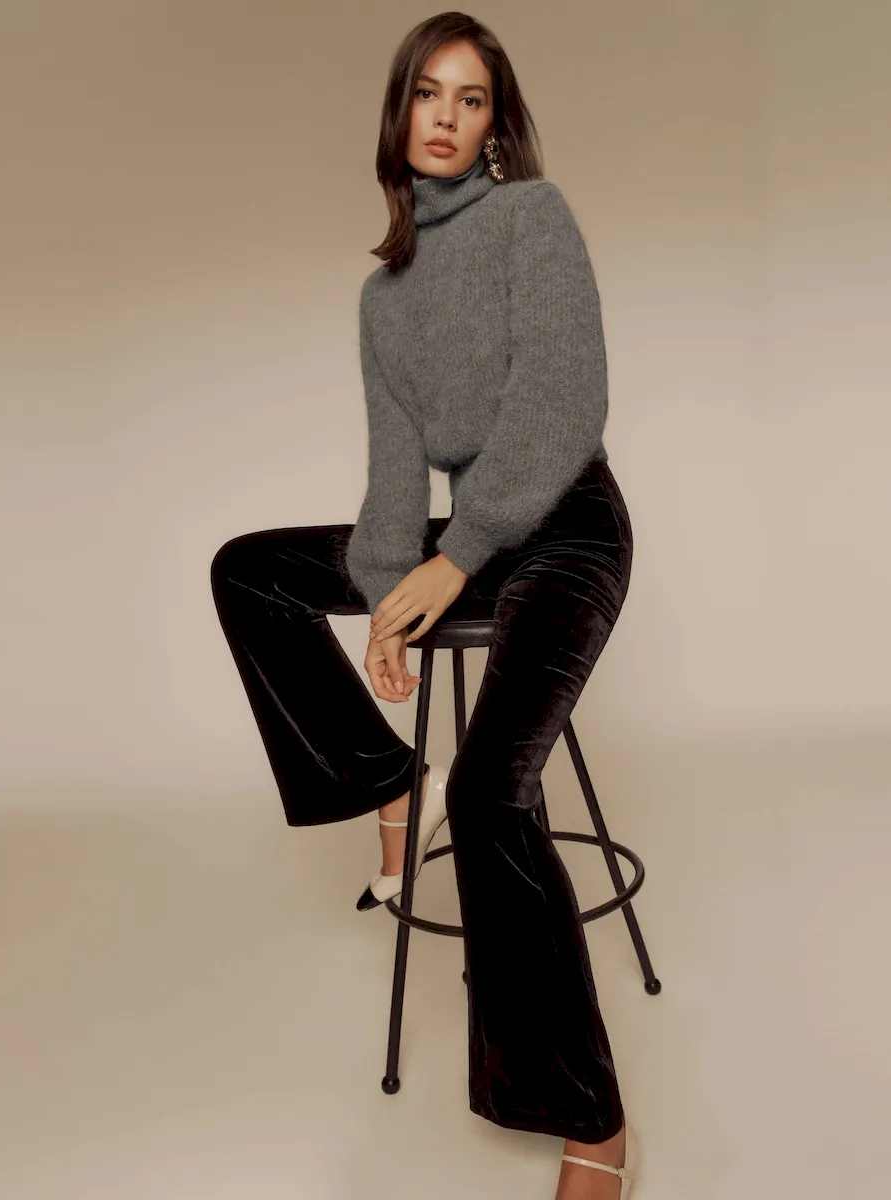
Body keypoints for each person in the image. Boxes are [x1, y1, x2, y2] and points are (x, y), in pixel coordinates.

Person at [210, 13, 640, 1199]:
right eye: (428, 95)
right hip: (471, 541)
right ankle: (387, 782)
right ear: (398, 114)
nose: (446, 117)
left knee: (495, 792)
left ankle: (596, 1125)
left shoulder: (533, 220)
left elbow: (564, 402)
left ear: (497, 125)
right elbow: (395, 477)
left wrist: (454, 565)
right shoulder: (383, 297)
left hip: (568, 528)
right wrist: (389, 592)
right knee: (248, 571)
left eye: (472, 98)